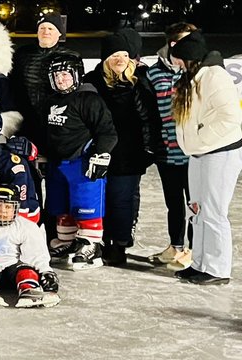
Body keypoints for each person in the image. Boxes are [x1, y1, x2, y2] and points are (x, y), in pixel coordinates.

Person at [170, 30, 242, 285]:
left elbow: (231, 117)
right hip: (199, 154)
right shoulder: (192, 79)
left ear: (190, 57)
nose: (176, 63)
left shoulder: (215, 77)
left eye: (178, 58)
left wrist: (200, 137)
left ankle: (218, 269)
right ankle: (200, 263)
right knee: (197, 211)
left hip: (220, 154)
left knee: (214, 212)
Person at [84, 28, 159, 265]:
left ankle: (120, 244)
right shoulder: (92, 83)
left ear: (131, 60)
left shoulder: (139, 84)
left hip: (129, 154)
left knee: (122, 200)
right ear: (105, 59)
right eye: (114, 55)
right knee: (99, 199)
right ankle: (99, 240)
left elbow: (149, 120)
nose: (119, 60)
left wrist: (148, 150)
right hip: (99, 151)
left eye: (124, 56)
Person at [40, 53, 118, 270]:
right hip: (58, 164)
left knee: (86, 203)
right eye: (56, 75)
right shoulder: (50, 101)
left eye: (65, 74)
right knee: (61, 205)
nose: (61, 79)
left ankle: (90, 244)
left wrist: (102, 154)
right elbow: (46, 131)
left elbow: (107, 131)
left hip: (82, 162)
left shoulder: (89, 99)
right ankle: (66, 241)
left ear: (76, 75)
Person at [145, 22, 196, 270]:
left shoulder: (196, 70)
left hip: (194, 153)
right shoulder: (154, 73)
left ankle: (193, 250)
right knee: (173, 204)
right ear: (173, 44)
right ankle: (175, 245)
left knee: (195, 204)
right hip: (167, 152)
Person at [10, 15, 81, 156]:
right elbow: (13, 83)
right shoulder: (22, 54)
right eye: (42, 28)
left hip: (56, 121)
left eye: (51, 28)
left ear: (59, 33)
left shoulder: (71, 56)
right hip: (26, 120)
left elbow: (76, 91)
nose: (46, 32)